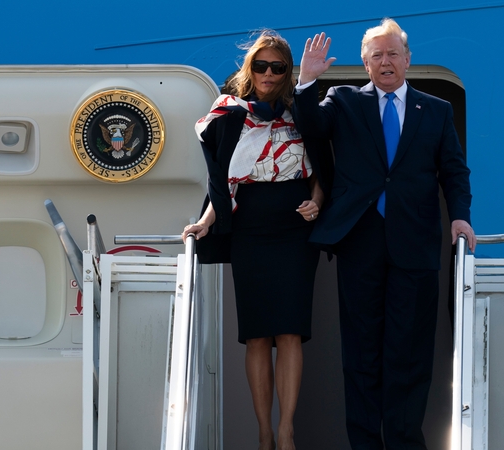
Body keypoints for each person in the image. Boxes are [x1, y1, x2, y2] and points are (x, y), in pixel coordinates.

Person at [292, 19, 477, 449]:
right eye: (377, 55)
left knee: (409, 356)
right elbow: (311, 127)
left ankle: (405, 442)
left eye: (393, 53)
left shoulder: (435, 110)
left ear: (408, 60)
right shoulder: (342, 100)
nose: (386, 61)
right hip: (360, 242)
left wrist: (460, 216)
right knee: (361, 356)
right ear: (365, 63)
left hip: (414, 246)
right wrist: (305, 82)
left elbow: (454, 170)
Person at [182, 30, 330, 450]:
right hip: (249, 230)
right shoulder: (228, 113)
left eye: (277, 67)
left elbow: (323, 166)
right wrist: (207, 221)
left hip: (295, 230)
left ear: (287, 72)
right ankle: (263, 432)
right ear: (250, 68)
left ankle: (286, 431)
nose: (268, 73)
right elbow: (221, 180)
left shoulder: (303, 110)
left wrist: (317, 202)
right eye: (260, 65)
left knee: (289, 332)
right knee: (258, 335)